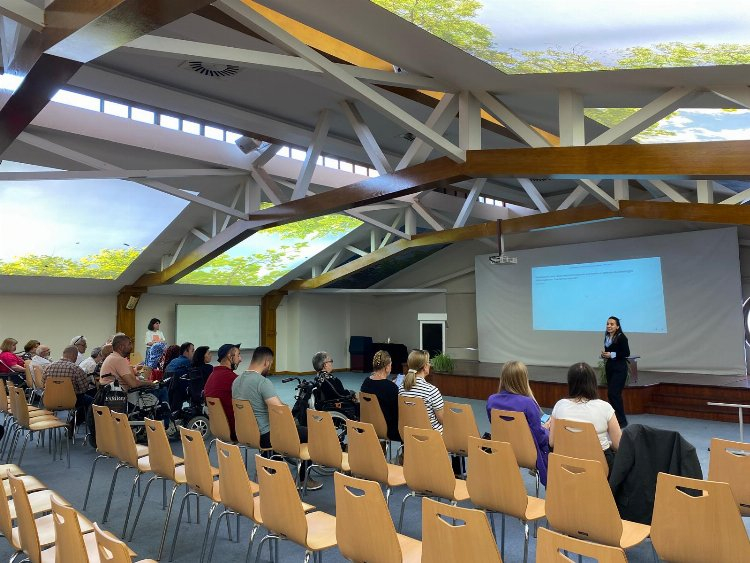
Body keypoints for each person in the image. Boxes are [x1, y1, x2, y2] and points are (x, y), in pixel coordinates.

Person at [232, 346, 322, 491]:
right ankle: (303, 479)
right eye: (271, 364)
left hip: (244, 433)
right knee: (312, 433)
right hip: (265, 435)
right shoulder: (262, 382)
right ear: (266, 362)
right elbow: (280, 410)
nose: (270, 367)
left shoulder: (236, 381)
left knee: (281, 429)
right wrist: (290, 416)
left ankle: (271, 468)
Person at [486, 360, 550, 486]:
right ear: (523, 379)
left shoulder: (492, 401)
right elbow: (539, 438)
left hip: (502, 449)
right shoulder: (528, 403)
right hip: (527, 454)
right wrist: (547, 430)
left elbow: (496, 426)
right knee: (551, 439)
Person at [550, 362, 622, 471]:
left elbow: (552, 442)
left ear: (570, 383)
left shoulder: (560, 405)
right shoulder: (605, 407)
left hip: (566, 466)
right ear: (593, 382)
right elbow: (619, 445)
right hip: (599, 468)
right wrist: (608, 444)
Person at [100, 334, 169, 424]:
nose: (131, 346)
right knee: (162, 389)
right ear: (121, 347)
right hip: (126, 397)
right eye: (129, 344)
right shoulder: (119, 360)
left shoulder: (111, 358)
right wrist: (150, 383)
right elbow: (133, 384)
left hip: (112, 396)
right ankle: (165, 424)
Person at [43, 345, 95, 422]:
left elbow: (43, 384)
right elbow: (84, 388)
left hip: (50, 400)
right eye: (76, 356)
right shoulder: (76, 368)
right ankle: (74, 423)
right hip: (71, 401)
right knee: (92, 402)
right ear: (73, 355)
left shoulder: (48, 367)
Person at [398, 349, 444, 432]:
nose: (430, 365)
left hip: (409, 434)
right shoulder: (431, 391)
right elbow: (443, 420)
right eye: (428, 362)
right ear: (425, 367)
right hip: (432, 436)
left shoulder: (401, 388)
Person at [204, 343, 242, 441]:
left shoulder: (211, 376)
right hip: (235, 429)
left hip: (218, 429)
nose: (240, 359)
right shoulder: (234, 379)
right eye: (238, 355)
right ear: (230, 357)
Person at [360, 350, 400, 442]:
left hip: (368, 425)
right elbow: (397, 412)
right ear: (387, 367)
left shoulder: (366, 382)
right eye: (390, 364)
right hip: (388, 429)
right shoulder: (391, 387)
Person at [601, 316, 630, 428]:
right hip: (610, 367)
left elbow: (626, 353)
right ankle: (615, 419)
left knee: (614, 393)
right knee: (611, 394)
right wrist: (605, 355)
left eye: (612, 324)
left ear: (617, 326)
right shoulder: (607, 337)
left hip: (620, 368)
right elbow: (609, 352)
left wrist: (612, 354)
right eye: (607, 324)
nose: (609, 326)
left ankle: (622, 420)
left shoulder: (622, 337)